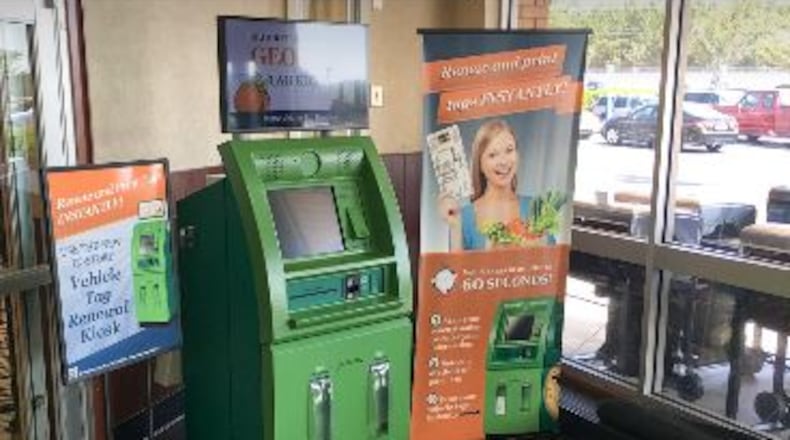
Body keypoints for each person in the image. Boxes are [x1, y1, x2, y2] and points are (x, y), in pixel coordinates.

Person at [438, 119, 533, 251]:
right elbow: (456, 270)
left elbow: (551, 263)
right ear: (480, 164)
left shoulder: (535, 208)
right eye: (493, 155)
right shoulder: (463, 216)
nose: (503, 161)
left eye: (509, 150)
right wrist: (455, 227)